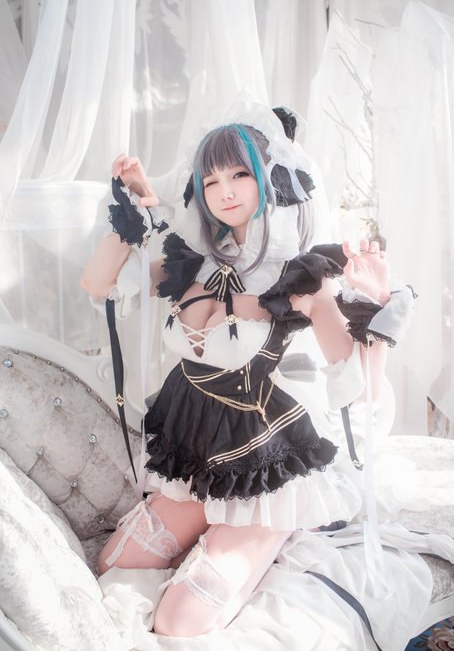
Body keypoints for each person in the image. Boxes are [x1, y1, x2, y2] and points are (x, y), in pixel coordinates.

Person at [81, 102, 414, 638]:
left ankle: (278, 531)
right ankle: (213, 530)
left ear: (272, 178)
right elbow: (97, 284)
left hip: (268, 469)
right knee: (114, 561)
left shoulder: (302, 276)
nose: (225, 191)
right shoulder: (194, 262)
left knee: (179, 619)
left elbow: (359, 391)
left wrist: (372, 308)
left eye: (240, 174)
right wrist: (134, 214)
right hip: (199, 450)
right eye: (210, 180)